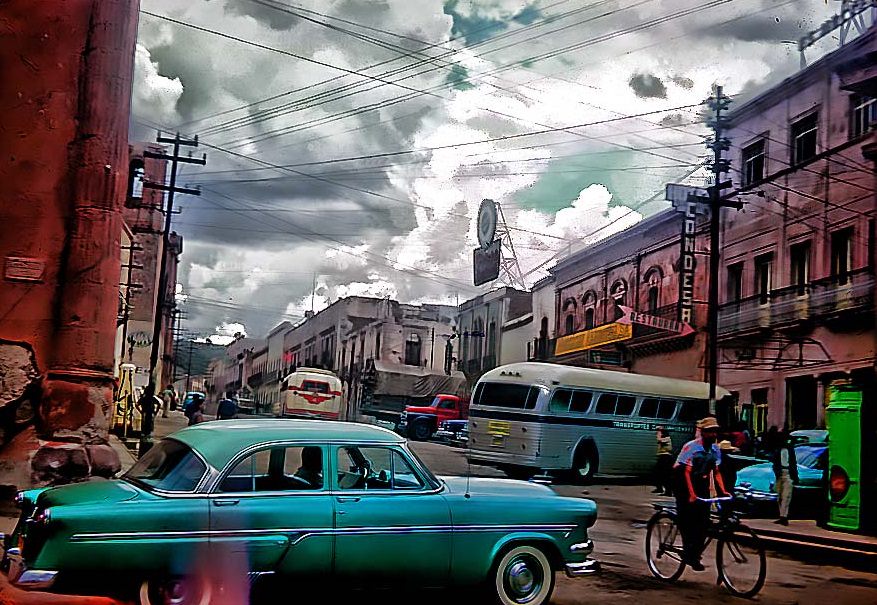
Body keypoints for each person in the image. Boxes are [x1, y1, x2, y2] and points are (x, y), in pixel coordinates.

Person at [674, 416, 729, 571]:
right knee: (687, 519)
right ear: (703, 433)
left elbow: (716, 472)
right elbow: (686, 472)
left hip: (700, 481)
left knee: (704, 521)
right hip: (683, 481)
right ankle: (688, 551)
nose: (713, 435)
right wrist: (691, 494)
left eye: (715, 431)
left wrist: (723, 490)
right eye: (710, 432)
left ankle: (694, 554)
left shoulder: (715, 449)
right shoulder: (691, 447)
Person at [772, 430, 799, 525]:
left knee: (786, 496)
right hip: (780, 474)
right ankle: (781, 515)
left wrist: (795, 476)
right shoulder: (778, 450)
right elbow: (775, 463)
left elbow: (793, 463)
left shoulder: (790, 450)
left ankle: (784, 516)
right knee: (779, 496)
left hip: (788, 473)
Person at [652, 426, 673, 496]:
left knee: (665, 475)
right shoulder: (664, 438)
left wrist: (659, 433)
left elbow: (659, 440)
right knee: (657, 473)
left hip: (666, 457)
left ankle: (668, 491)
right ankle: (659, 488)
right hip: (661, 457)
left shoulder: (667, 438)